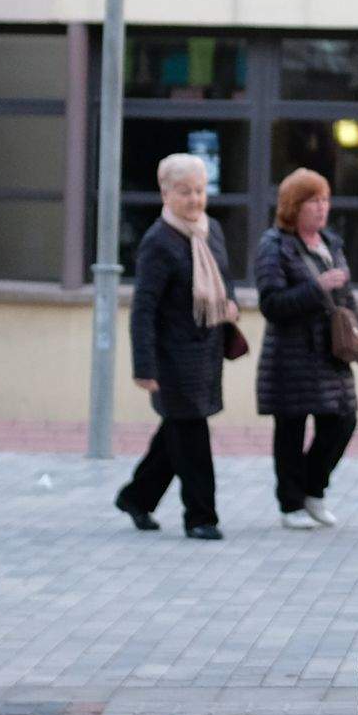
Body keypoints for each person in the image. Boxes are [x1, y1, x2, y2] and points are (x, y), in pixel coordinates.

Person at [117, 151, 236, 540]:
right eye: (185, 191)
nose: (194, 199)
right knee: (192, 435)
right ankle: (201, 517)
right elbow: (144, 309)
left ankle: (136, 497)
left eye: (200, 190)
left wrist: (230, 303)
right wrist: (144, 367)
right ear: (165, 193)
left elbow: (224, 278)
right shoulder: (158, 241)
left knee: (177, 432)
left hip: (206, 352)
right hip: (172, 359)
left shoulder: (211, 230)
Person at [253, 167, 358, 531]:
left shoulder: (330, 243)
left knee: (343, 420)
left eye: (325, 200)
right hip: (291, 354)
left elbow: (346, 299)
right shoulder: (275, 246)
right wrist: (317, 288)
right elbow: (272, 304)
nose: (321, 207)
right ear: (293, 206)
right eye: (313, 201)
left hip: (330, 352)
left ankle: (313, 489)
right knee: (291, 427)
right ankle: (291, 503)